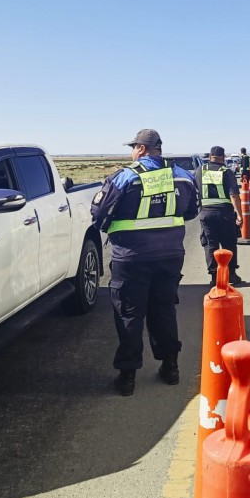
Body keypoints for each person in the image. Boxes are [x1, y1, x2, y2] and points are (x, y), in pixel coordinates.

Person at [91, 128, 200, 396]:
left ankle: (127, 377)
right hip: (171, 255)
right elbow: (192, 210)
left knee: (129, 314)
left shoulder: (125, 176)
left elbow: (99, 212)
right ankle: (170, 367)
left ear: (140, 149)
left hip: (132, 258)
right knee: (163, 309)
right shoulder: (183, 176)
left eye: (133, 148)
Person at [194, 146, 243, 286]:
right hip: (225, 214)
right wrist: (240, 215)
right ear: (223, 157)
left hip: (206, 213)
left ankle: (215, 277)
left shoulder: (200, 171)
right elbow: (234, 195)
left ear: (210, 157)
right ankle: (231, 275)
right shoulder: (226, 172)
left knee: (210, 245)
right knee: (229, 244)